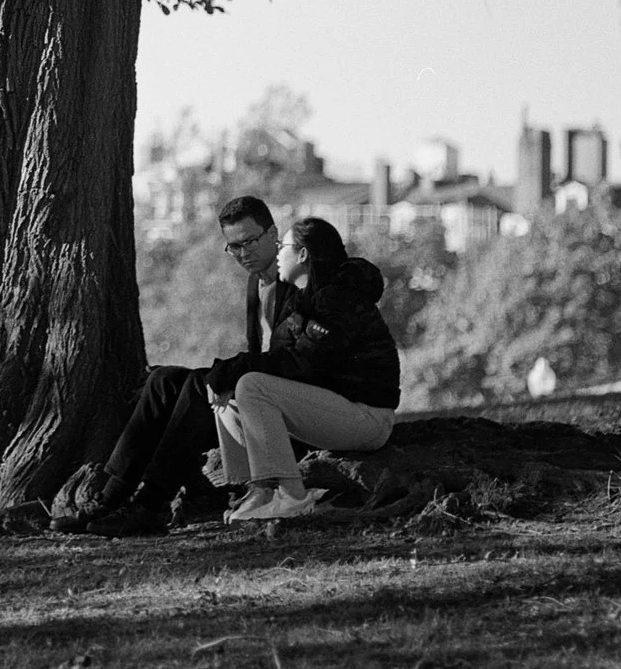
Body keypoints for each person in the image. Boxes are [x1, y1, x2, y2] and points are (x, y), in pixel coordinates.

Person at [55, 195, 286, 536]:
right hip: (257, 388)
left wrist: (229, 375)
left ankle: (151, 503)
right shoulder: (258, 282)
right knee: (164, 381)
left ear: (273, 233)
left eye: (250, 241)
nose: (243, 253)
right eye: (233, 247)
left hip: (282, 400)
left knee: (197, 386)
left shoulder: (293, 278)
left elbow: (284, 358)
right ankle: (110, 495)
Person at [207, 215, 400, 524]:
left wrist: (236, 368)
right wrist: (228, 375)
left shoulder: (339, 299)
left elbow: (303, 364)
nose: (278, 254)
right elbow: (283, 360)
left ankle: (294, 496)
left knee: (250, 385)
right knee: (230, 396)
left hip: (367, 417)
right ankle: (259, 490)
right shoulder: (303, 301)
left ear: (303, 254)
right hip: (334, 408)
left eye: (283, 245)